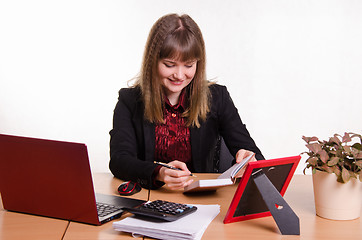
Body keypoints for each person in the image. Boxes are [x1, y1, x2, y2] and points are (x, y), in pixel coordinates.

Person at [109, 13, 264, 190]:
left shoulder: (217, 97)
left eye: (189, 65)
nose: (180, 75)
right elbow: (119, 160)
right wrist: (159, 172)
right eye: (169, 65)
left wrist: (248, 158)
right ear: (153, 62)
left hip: (203, 201)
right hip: (152, 199)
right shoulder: (130, 101)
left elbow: (256, 155)